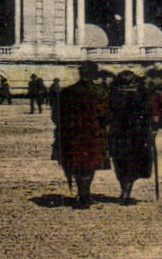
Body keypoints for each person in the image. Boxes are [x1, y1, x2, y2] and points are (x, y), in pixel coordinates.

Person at [53, 62, 112, 209]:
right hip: (93, 133)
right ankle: (85, 194)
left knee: (76, 163)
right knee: (89, 165)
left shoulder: (66, 92)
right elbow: (106, 115)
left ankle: (82, 192)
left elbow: (56, 116)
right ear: (93, 74)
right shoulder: (100, 92)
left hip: (71, 133)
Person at [107, 72, 156, 204]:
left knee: (120, 162)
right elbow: (148, 113)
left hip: (117, 132)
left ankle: (124, 189)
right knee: (133, 161)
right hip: (137, 132)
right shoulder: (140, 93)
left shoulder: (113, 93)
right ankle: (126, 191)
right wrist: (152, 129)